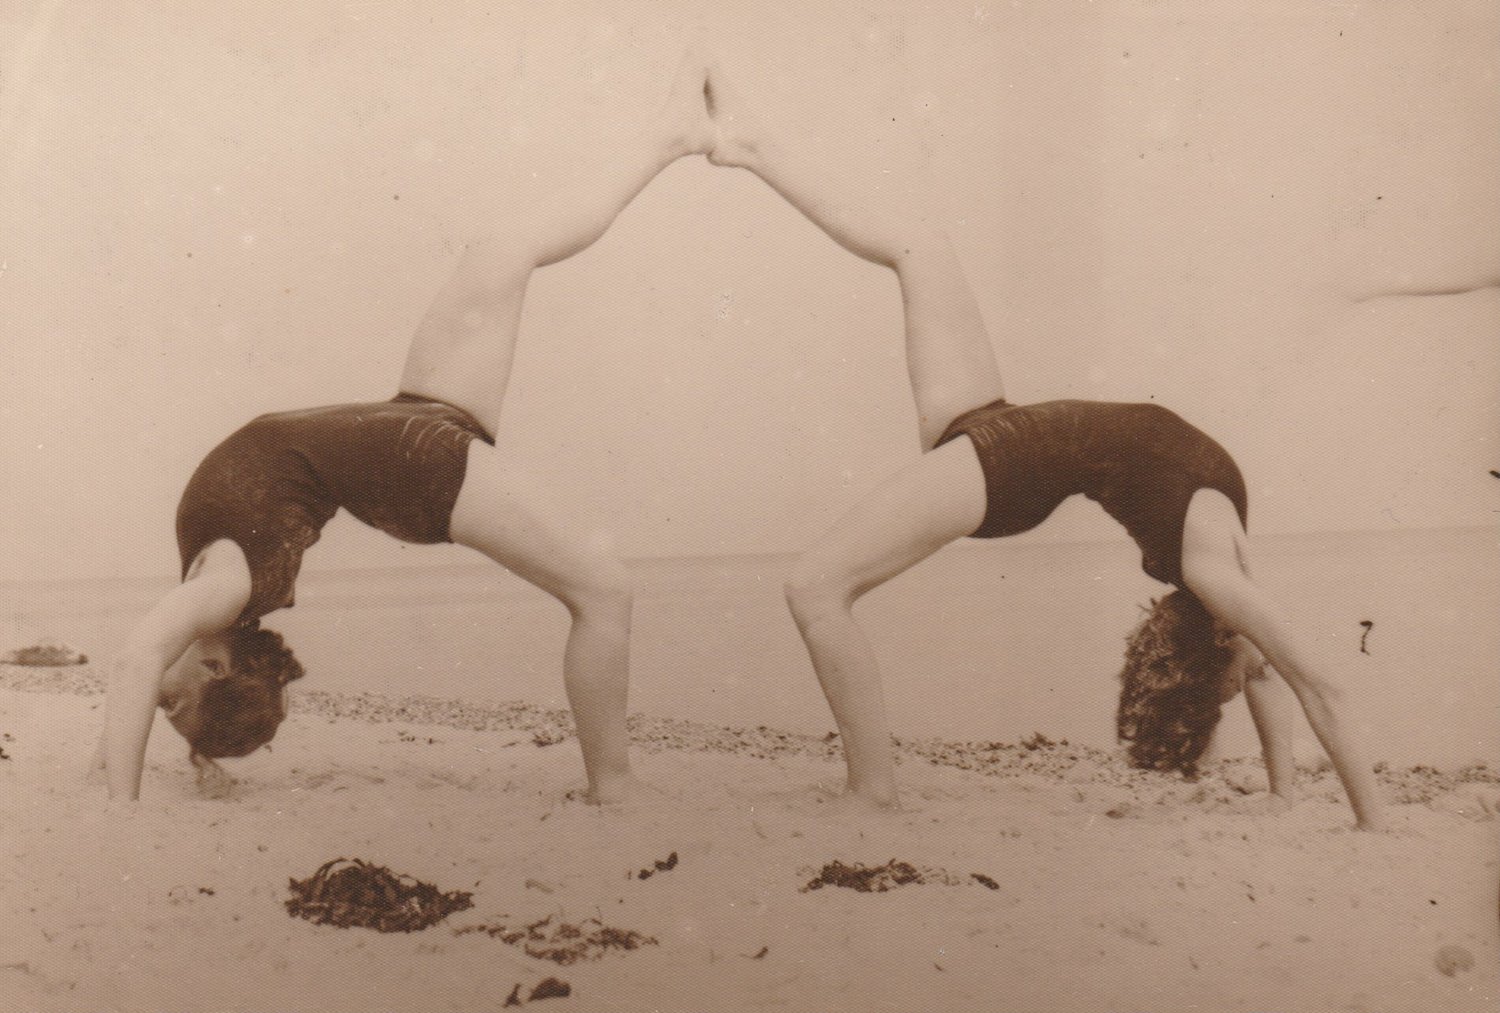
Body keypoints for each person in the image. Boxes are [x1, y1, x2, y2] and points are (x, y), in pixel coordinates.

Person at [704, 65, 1386, 831]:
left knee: (814, 588)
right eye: (1228, 688)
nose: (1245, 680)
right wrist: (1351, 814)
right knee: (918, 245)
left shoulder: (1214, 568)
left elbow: (1268, 671)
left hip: (1012, 465)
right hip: (1005, 437)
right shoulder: (1215, 571)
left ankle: (872, 789)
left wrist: (1290, 792)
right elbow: (1313, 681)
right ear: (1217, 643)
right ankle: (750, 148)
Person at [99, 60, 716, 804]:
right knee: (604, 591)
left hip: (411, 417)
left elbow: (139, 662)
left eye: (168, 708)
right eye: (172, 707)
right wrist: (125, 802)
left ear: (214, 671)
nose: (157, 695)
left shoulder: (212, 585)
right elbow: (141, 662)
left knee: (502, 250)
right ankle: (614, 786)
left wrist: (117, 790)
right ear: (219, 666)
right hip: (413, 466)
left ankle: (670, 135)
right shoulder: (224, 595)